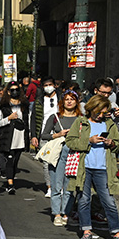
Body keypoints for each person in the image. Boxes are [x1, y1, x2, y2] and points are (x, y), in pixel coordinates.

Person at [66, 94, 119, 239]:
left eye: (104, 112)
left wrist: (111, 143)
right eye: (98, 112)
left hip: (103, 168)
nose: (101, 115)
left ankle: (116, 232)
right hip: (84, 168)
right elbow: (70, 141)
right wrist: (88, 141)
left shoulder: (109, 124)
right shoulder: (81, 122)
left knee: (109, 201)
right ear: (91, 108)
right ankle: (86, 231)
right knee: (84, 200)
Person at [41, 88, 82, 226]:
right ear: (62, 102)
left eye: (72, 99)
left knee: (69, 187)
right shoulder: (55, 117)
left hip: (74, 154)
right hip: (58, 155)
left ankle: (66, 213)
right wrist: (58, 134)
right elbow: (44, 135)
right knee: (56, 186)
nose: (69, 102)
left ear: (76, 102)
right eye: (66, 99)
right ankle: (56, 214)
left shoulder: (81, 119)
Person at [0, 83, 27, 195]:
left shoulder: (24, 105)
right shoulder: (4, 106)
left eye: (17, 89)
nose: (15, 92)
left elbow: (28, 120)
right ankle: (10, 184)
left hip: (20, 137)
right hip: (8, 138)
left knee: (15, 162)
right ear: (8, 92)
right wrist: (8, 118)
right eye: (12, 90)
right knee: (9, 160)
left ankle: (11, 178)